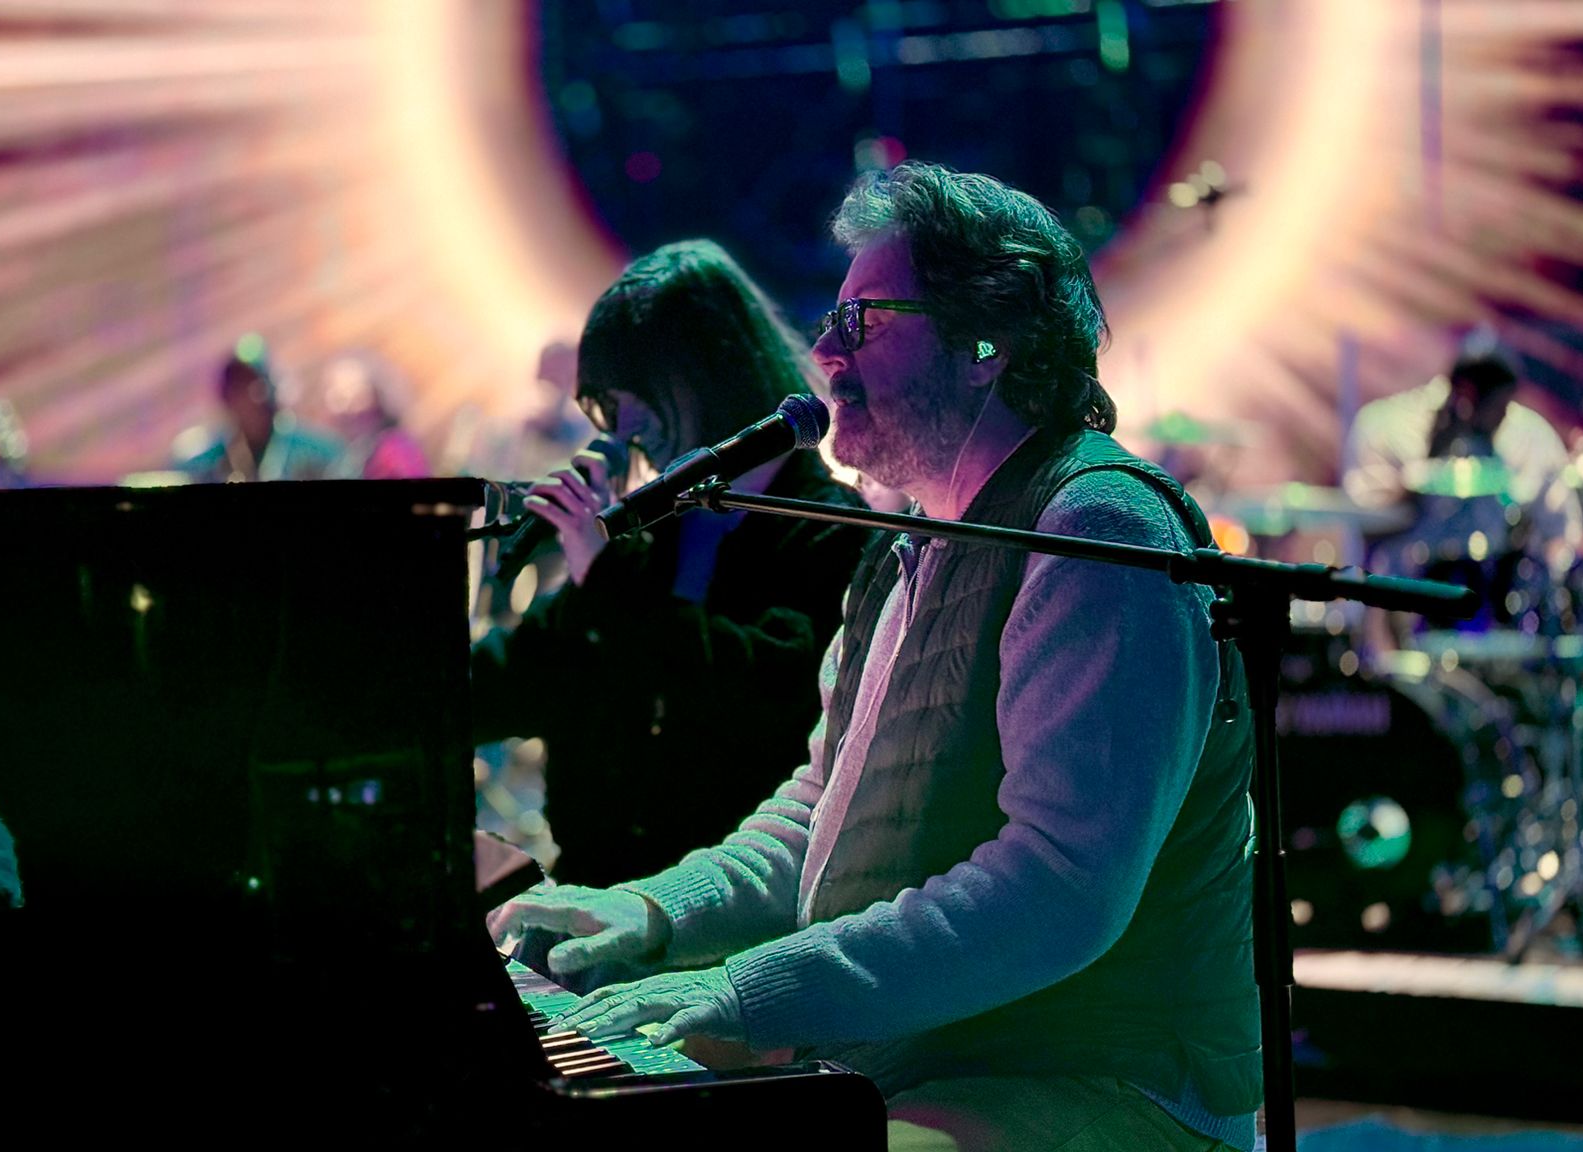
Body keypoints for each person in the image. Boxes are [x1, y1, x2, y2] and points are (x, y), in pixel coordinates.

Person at [490, 164, 1260, 1151]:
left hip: (1101, 1079)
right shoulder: (910, 550)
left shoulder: (1095, 526)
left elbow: (1058, 887)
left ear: (983, 345)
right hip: (940, 1059)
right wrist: (650, 911)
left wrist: (744, 989)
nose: (822, 353)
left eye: (860, 322)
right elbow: (818, 812)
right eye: (830, 322)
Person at [470, 238, 873, 890]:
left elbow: (768, 693)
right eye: (611, 401)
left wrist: (606, 579)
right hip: (592, 899)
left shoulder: (827, 529)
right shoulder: (654, 535)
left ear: (707, 371)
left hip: (724, 912)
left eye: (637, 392)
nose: (624, 424)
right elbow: (521, 674)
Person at [1343, 337, 1583, 629]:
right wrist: (1416, 482)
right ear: (1465, 393)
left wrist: (1551, 594)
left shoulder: (1532, 438)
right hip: (1406, 610)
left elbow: (1562, 535)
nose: (1501, 417)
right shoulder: (1388, 427)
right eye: (1495, 407)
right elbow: (1365, 523)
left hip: (1506, 617)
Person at [172, 352, 345, 483]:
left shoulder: (317, 451)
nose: (248, 399)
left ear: (271, 389)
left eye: (255, 386)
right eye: (237, 389)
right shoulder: (211, 461)